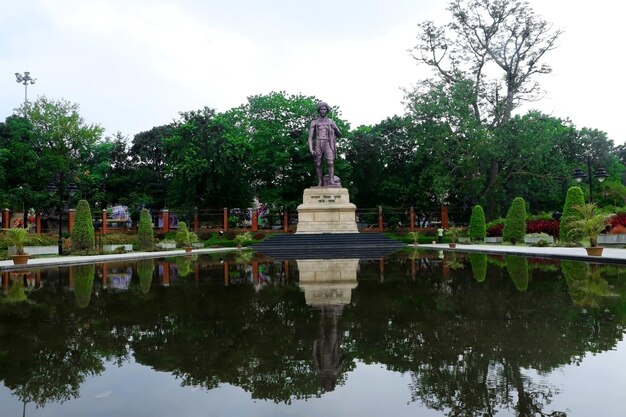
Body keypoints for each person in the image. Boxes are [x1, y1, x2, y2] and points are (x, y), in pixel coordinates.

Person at [308, 101, 341, 187]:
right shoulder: (314, 122)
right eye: (321, 109)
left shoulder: (331, 121)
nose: (323, 111)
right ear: (319, 110)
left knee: (330, 162)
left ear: (327, 110)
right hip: (318, 142)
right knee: (318, 164)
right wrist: (311, 149)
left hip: (328, 142)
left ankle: (331, 180)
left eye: (324, 109)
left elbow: (339, 134)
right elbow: (310, 137)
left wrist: (335, 129)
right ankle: (319, 182)